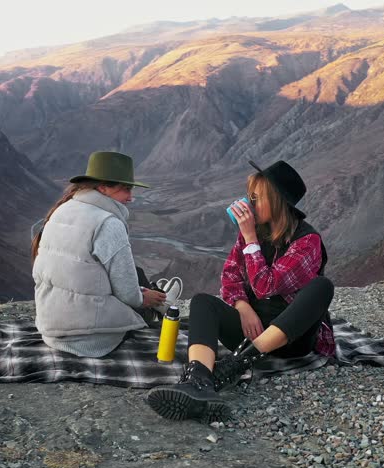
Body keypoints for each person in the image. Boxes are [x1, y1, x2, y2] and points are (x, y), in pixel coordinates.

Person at [147, 160, 334, 421]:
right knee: (203, 302)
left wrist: (250, 240)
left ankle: (234, 366)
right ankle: (198, 380)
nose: (250, 204)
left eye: (257, 198)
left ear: (278, 202)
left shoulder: (307, 241)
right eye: (250, 197)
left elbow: (267, 286)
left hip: (291, 340)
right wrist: (243, 307)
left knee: (322, 287)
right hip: (250, 331)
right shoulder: (254, 232)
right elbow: (230, 276)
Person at [31, 151, 179, 358]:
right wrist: (142, 296)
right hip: (90, 338)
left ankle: (158, 300)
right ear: (103, 188)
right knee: (135, 287)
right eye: (125, 190)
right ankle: (162, 305)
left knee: (134, 273)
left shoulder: (62, 210)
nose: (130, 197)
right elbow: (127, 294)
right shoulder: (108, 224)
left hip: (52, 329)